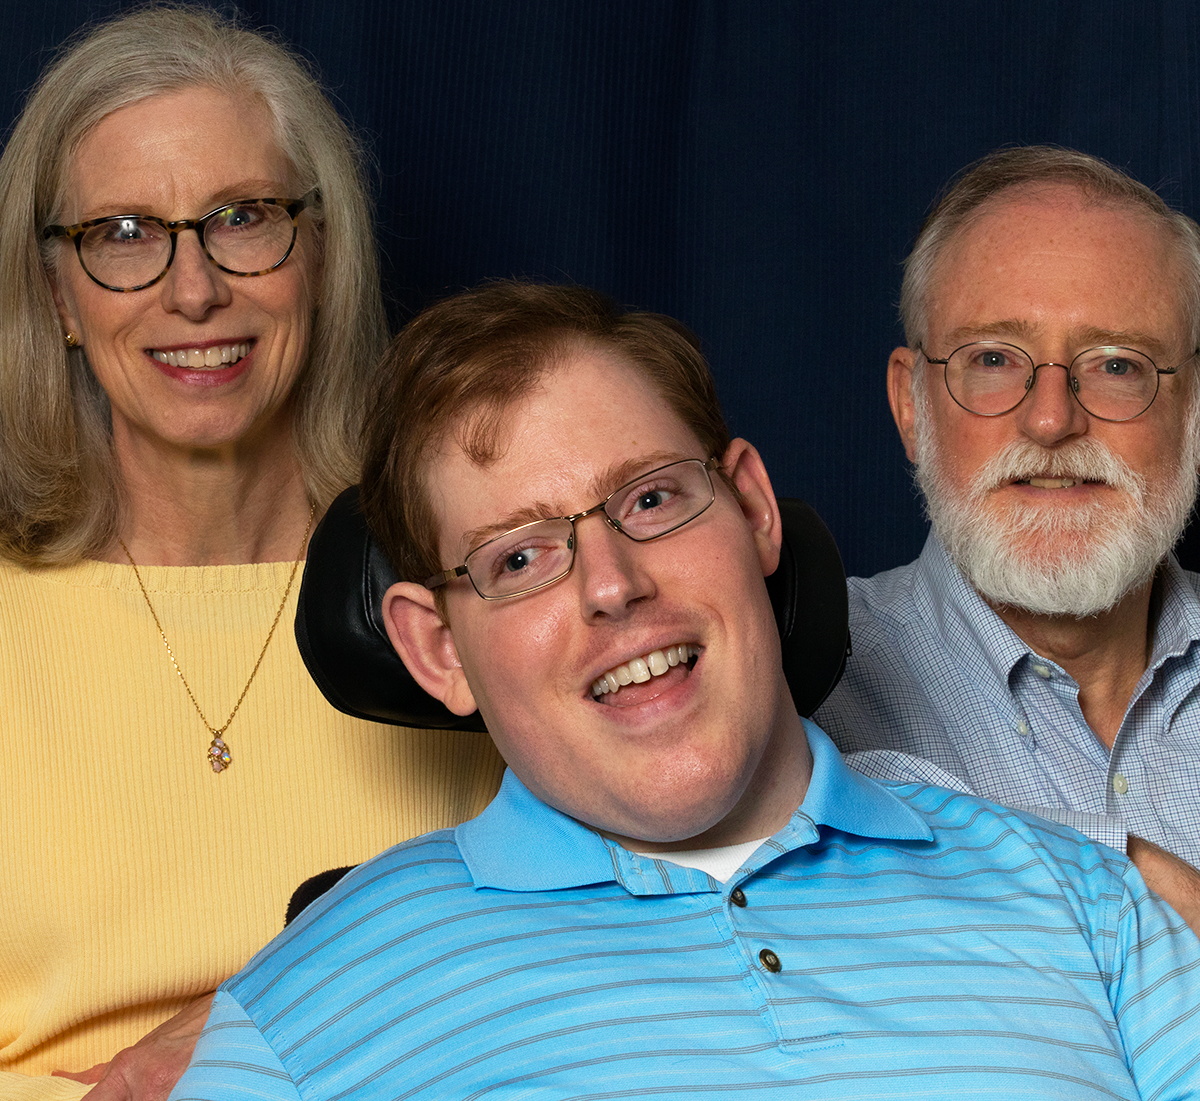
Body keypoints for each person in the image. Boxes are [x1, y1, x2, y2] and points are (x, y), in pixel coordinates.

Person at [171, 282, 1200, 1101]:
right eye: (521, 559)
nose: (614, 585)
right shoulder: (306, 1008)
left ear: (753, 510)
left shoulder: (1096, 914)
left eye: (652, 498)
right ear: (436, 648)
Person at [0, 6, 504, 1101]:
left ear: (319, 255)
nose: (193, 289)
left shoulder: (469, 584)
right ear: (58, 297)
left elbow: (597, 940)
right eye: (123, 234)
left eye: (243, 217)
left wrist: (257, 1028)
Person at [815, 146, 1200, 912]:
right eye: (992, 358)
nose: (1052, 419)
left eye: (1118, 364)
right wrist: (1135, 873)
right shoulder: (789, 689)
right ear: (910, 408)